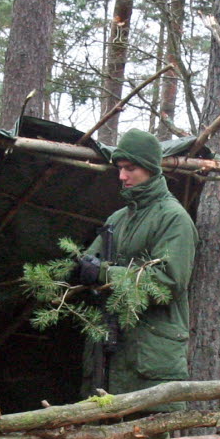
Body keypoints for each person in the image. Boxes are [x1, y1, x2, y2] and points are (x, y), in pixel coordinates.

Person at [73, 129, 197, 397]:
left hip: (149, 360)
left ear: (151, 168)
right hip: (108, 353)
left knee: (148, 438)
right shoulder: (118, 218)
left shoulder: (173, 219)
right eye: (119, 168)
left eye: (131, 168)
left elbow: (168, 282)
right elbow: (91, 262)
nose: (122, 176)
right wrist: (81, 267)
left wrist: (104, 274)